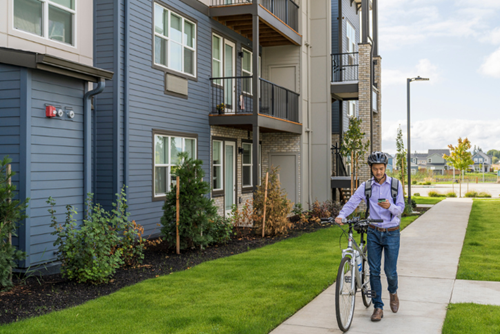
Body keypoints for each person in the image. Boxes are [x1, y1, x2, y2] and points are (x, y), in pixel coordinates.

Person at [335, 151, 405, 322]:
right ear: (371, 169)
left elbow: (401, 208)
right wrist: (341, 215)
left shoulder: (395, 185)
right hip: (373, 231)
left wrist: (390, 206)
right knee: (374, 271)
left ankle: (393, 292)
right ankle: (378, 307)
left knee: (390, 272)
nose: (378, 172)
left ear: (385, 167)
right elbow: (353, 201)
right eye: (375, 169)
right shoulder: (366, 186)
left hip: (392, 232)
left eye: (381, 169)